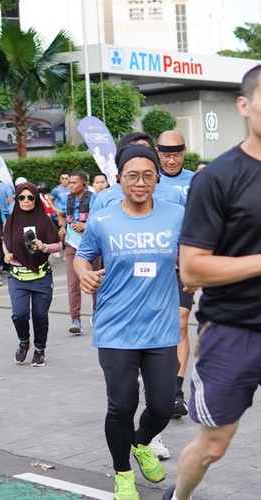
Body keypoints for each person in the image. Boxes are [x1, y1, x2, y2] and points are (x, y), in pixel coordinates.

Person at [162, 65, 261, 500]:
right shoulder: (218, 177)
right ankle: (178, 496)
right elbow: (193, 270)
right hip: (234, 329)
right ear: (244, 105)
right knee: (213, 447)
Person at [74, 145, 184, 500]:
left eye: (148, 175)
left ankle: (141, 442)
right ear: (119, 178)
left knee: (164, 405)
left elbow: (194, 253)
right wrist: (85, 273)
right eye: (132, 175)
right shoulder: (103, 219)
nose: (140, 182)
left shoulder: (176, 215)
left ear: (157, 178)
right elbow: (82, 256)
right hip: (116, 327)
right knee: (122, 405)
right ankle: (123, 472)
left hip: (161, 327)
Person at [157, 130, 196, 419]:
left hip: (184, 265)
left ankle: (176, 393)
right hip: (153, 264)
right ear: (158, 154)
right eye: (166, 155)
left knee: (182, 323)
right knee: (158, 326)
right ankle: (156, 382)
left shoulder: (196, 181)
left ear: (184, 153)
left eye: (177, 155)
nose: (171, 161)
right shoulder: (148, 180)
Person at [2, 182, 61, 367]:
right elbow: (6, 241)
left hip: (41, 276)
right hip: (18, 277)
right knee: (19, 314)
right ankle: (23, 341)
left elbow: (58, 245)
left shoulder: (45, 220)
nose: (26, 201)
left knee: (40, 315)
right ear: (17, 199)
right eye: (21, 197)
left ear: (36, 199)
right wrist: (7, 254)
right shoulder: (11, 221)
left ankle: (40, 349)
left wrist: (44, 246)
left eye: (30, 197)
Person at [58, 170, 96, 334]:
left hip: (92, 246)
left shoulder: (94, 199)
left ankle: (97, 311)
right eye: (69, 182)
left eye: (74, 183)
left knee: (95, 280)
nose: (70, 185)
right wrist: (62, 227)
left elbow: (100, 219)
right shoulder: (66, 199)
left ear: (84, 184)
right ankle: (75, 319)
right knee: (73, 283)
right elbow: (61, 215)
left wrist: (85, 226)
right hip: (71, 245)